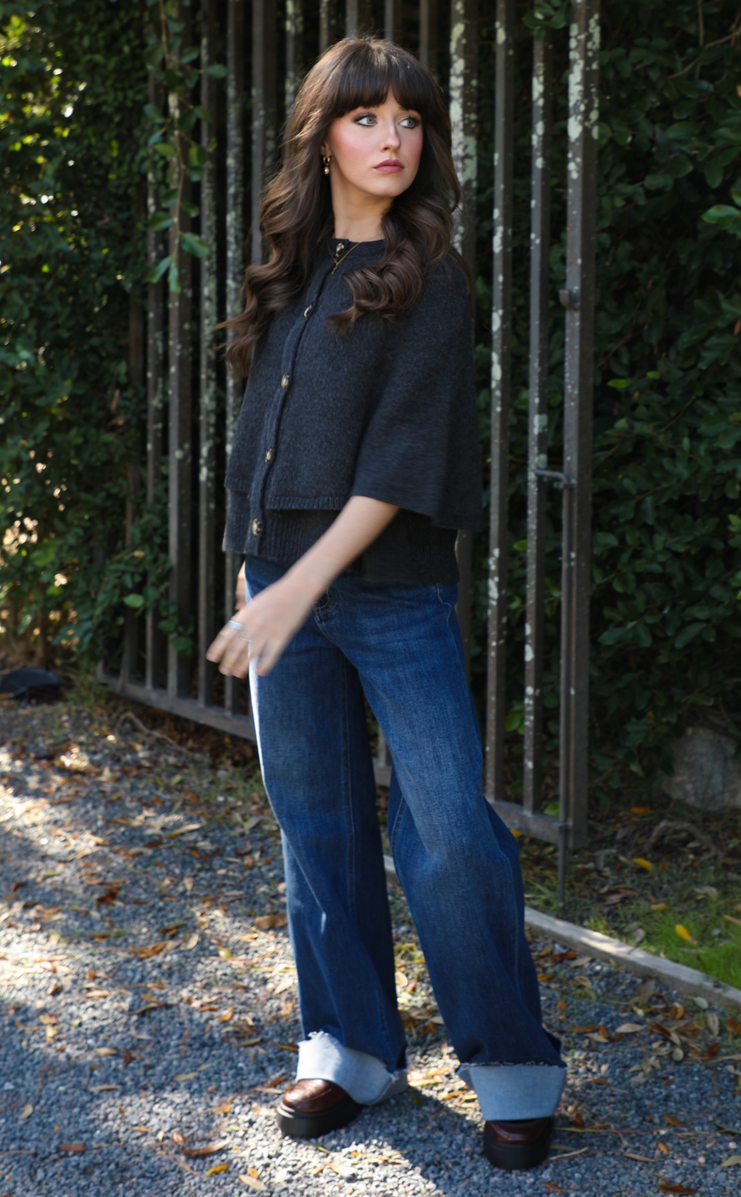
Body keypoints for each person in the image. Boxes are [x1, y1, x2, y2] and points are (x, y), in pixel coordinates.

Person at [207, 36, 566, 1172]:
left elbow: (402, 462)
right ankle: (349, 1050)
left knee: (448, 832)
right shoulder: (290, 272)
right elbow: (258, 441)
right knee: (315, 827)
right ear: (325, 141)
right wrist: (249, 571)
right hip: (280, 589)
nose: (393, 140)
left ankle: (510, 1065)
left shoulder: (429, 277)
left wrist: (298, 587)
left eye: (409, 120)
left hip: (387, 594)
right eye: (367, 120)